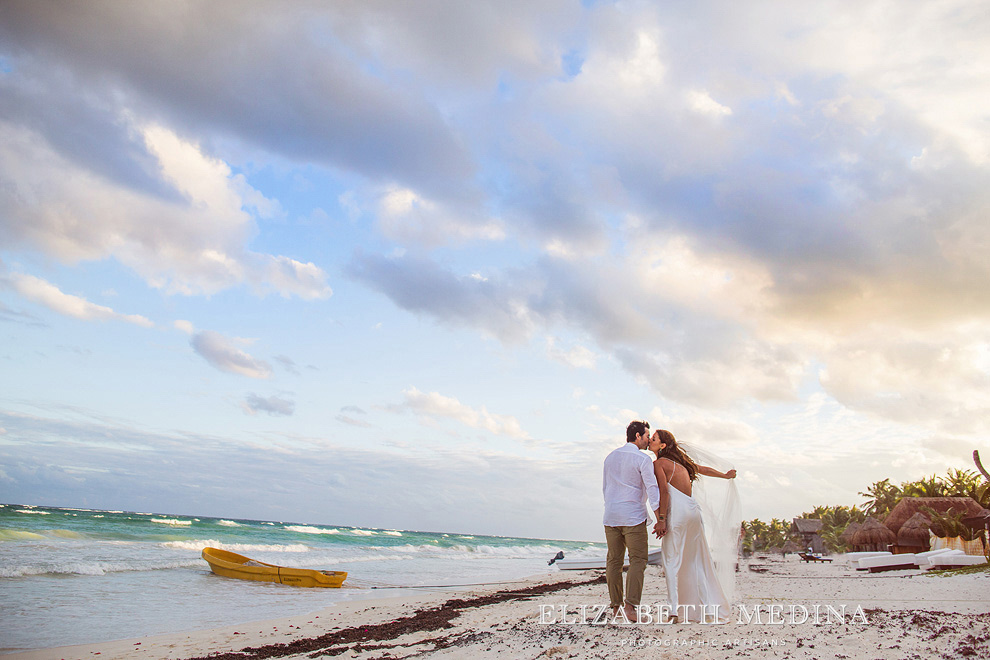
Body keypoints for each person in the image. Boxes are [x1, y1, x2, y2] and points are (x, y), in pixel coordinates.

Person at [649, 429, 736, 623]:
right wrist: (725, 475)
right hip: (694, 511)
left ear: (662, 446)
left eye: (653, 439)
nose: (650, 441)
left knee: (671, 560)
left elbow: (664, 491)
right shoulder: (682, 464)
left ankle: (673, 611)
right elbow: (703, 469)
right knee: (697, 560)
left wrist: (661, 519)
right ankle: (706, 609)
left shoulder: (659, 464)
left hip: (678, 513)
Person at [603, 420, 665, 622]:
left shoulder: (610, 457)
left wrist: (612, 507)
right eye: (647, 436)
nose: (648, 441)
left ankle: (616, 608)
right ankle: (630, 608)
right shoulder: (642, 459)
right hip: (632, 516)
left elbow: (606, 488)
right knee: (638, 560)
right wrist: (660, 518)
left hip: (611, 515)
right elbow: (652, 488)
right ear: (637, 436)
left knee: (614, 561)